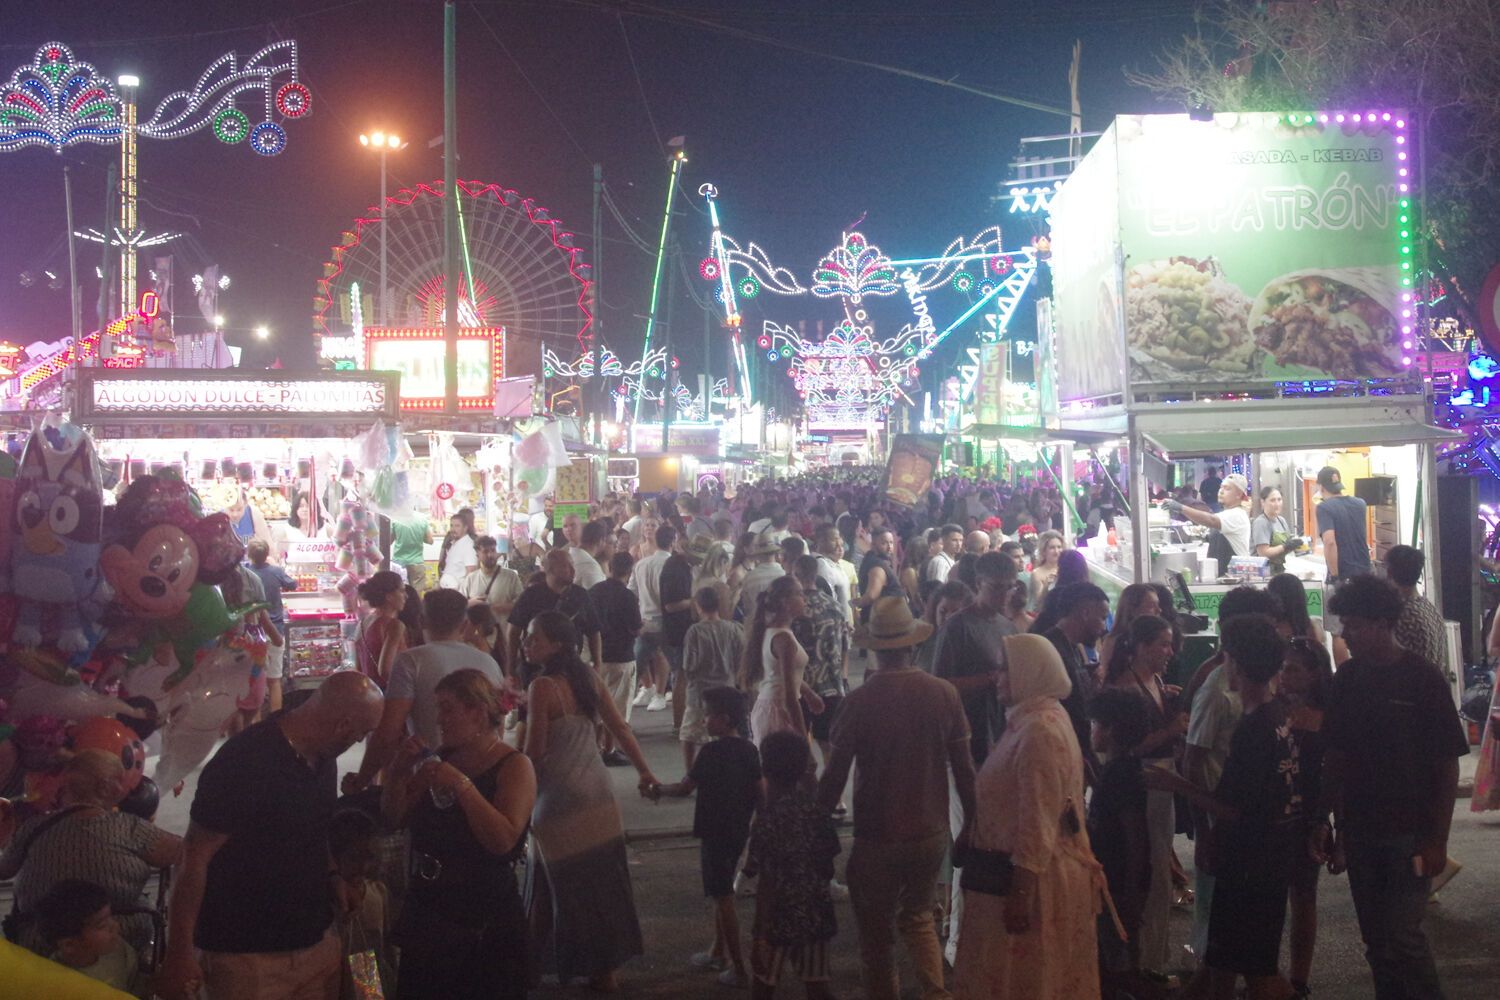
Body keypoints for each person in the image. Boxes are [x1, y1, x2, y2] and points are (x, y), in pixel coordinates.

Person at [157, 672, 384, 1000]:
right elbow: (193, 857)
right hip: (249, 958)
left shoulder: (324, 760)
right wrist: (179, 952)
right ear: (343, 725)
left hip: (317, 944)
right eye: (362, 732)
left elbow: (313, 829)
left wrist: (333, 876)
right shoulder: (244, 761)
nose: (360, 741)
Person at [1314, 575, 1468, 1000]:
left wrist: (1437, 839)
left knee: (1403, 937)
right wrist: (1326, 822)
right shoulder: (1347, 679)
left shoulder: (1422, 679)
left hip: (1410, 832)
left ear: (1383, 623)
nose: (1346, 634)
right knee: (1377, 941)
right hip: (1361, 829)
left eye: (1354, 625)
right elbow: (1336, 756)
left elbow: (1447, 765)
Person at [816, 596, 976, 1000]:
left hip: (877, 833)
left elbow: (834, 776)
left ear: (874, 648)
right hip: (931, 829)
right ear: (912, 644)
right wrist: (971, 823)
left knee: (877, 937)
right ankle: (936, 993)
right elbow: (964, 769)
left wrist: (814, 826)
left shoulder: (858, 702)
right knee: (919, 917)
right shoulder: (943, 694)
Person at [1150, 614, 1299, 1000]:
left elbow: (1234, 808)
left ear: (1238, 663)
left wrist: (1173, 783)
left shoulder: (1254, 728)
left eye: (1227, 656)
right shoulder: (1277, 715)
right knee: (1223, 962)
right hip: (1268, 855)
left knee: (1258, 973)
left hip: (1249, 861)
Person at [951, 633, 1104, 1000]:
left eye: (1005, 669)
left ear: (1030, 672)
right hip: (1021, 874)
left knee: (1024, 979)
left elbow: (1037, 818)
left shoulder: (1038, 730)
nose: (996, 676)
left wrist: (1021, 892)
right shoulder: (1034, 719)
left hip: (1029, 882)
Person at [522, 611, 657, 992]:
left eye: (533, 637)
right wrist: (645, 771)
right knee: (597, 888)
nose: (525, 643)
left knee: (558, 889)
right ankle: (599, 972)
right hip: (598, 794)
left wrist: (512, 788)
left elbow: (534, 754)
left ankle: (533, 971)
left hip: (558, 799)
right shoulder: (588, 678)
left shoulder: (542, 687)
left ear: (557, 644)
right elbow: (621, 727)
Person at [382, 669, 536, 1000]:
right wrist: (397, 772)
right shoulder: (442, 758)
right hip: (430, 907)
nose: (439, 719)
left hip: (482, 913)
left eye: (447, 709)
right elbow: (395, 818)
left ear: (478, 713)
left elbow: (503, 841)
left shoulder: (514, 766)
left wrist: (462, 787)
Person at [0, 750, 182, 958]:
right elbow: (183, 852)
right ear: (105, 787)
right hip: (117, 939)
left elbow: (4, 870)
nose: (125, 788)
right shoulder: (129, 828)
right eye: (120, 780)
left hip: (40, 942)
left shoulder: (32, 828)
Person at [649, 686, 761, 988]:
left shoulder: (710, 752)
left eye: (708, 716)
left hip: (714, 831)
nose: (704, 721)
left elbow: (685, 787)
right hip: (738, 829)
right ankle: (718, 951)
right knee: (720, 890)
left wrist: (658, 789)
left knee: (723, 897)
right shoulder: (749, 750)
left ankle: (739, 967)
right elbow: (760, 793)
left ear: (724, 719)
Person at [346, 588, 503, 794]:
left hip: (430, 779)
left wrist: (362, 780)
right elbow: (498, 728)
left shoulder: (411, 661)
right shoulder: (488, 662)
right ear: (465, 624)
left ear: (421, 621)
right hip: (485, 777)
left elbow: (389, 730)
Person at [1103, 614, 1187, 979]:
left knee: (1159, 868)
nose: (1170, 652)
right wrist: (1172, 729)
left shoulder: (1154, 681)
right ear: (1140, 647)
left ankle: (1153, 955)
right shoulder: (1126, 687)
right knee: (1148, 869)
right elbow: (1125, 749)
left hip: (1160, 783)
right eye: (1163, 644)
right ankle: (1143, 960)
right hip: (1143, 785)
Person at [746, 732, 840, 1000]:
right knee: (817, 986)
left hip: (778, 920)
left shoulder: (768, 820)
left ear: (766, 769)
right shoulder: (817, 813)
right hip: (816, 914)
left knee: (764, 984)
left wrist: (759, 935)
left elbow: (766, 882)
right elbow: (828, 866)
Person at [1087, 690, 1154, 993]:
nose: (1091, 730)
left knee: (1118, 962)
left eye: (1095, 724)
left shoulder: (1121, 774)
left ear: (1110, 729)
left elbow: (1135, 833)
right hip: (1115, 879)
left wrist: (1131, 889)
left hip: (1118, 881)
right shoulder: (1118, 768)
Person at [1281, 635, 1334, 999]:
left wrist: (1327, 821)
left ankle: (1298, 978)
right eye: (1283, 669)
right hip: (1275, 813)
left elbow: (1335, 776)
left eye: (1293, 670)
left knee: (1303, 895)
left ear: (1314, 674)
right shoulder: (1274, 709)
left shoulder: (1327, 716)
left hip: (1309, 814)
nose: (1285, 676)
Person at [931, 552, 1017, 769]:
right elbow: (940, 685)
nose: (1004, 595)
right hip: (969, 730)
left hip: (1002, 726)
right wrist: (988, 679)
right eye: (997, 587)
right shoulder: (956, 626)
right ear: (979, 583)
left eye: (1010, 587)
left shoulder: (1008, 626)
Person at [1041, 582, 1111, 782]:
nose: (1104, 627)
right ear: (1085, 613)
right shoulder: (1050, 649)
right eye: (1102, 618)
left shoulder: (1072, 648)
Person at [790, 555, 850, 785]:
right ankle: (835, 796)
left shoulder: (796, 609)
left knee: (800, 741)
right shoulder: (834, 605)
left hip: (802, 685)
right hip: (831, 684)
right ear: (816, 575)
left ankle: (808, 790)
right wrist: (842, 676)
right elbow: (845, 645)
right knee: (828, 744)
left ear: (796, 574)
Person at [741, 575, 823, 746]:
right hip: (779, 709)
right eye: (799, 594)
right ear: (785, 602)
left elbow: (784, 675)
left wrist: (809, 693)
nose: (805, 599)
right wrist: (803, 741)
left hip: (770, 706)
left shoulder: (774, 631)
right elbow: (789, 696)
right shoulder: (783, 639)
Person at [506, 548, 603, 691]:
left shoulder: (580, 595)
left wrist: (597, 663)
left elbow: (594, 631)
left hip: (570, 669)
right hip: (533, 669)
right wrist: (510, 669)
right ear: (550, 569)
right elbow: (513, 632)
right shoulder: (531, 595)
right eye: (566, 566)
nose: (573, 570)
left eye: (572, 565)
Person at [34, 879, 143, 995]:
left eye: (111, 917)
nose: (114, 925)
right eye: (102, 925)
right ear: (69, 945)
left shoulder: (120, 950)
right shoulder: (54, 980)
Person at [679, 585, 747, 770]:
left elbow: (689, 665)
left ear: (698, 606)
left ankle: (690, 771)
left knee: (689, 734)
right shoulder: (734, 629)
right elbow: (740, 660)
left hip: (699, 691)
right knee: (725, 732)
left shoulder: (695, 631)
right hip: (726, 689)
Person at [590, 551, 644, 762]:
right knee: (617, 708)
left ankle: (595, 746)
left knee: (596, 704)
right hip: (622, 656)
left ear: (609, 567)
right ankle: (609, 749)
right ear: (630, 571)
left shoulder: (594, 591)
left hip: (597, 656)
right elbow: (635, 628)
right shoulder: (627, 596)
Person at [245, 538, 297, 714]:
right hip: (275, 631)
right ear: (267, 554)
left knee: (253, 682)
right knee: (274, 681)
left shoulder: (246, 573)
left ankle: (255, 722)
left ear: (249, 554)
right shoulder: (276, 571)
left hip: (252, 633)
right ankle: (275, 721)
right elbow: (293, 584)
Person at [630, 524, 676, 712]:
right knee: (665, 657)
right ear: (673, 542)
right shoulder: (672, 565)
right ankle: (659, 694)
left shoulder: (641, 564)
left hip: (644, 619)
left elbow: (632, 591)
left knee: (638, 660)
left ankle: (647, 689)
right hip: (666, 620)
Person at [1388, 544, 1449, 675]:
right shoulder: (1429, 608)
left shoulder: (1403, 614)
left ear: (1389, 572)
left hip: (1414, 685)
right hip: (1433, 683)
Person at [1166, 473, 1252, 560]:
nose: (1221, 491)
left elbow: (1211, 520)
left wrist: (1181, 507)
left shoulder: (1237, 515)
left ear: (1239, 494)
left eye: (1227, 489)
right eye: (1221, 487)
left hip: (1234, 568)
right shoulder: (1225, 514)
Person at [1096, 582, 1162, 683]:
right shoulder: (1115, 641)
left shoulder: (1151, 638)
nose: (1159, 610)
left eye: (1158, 605)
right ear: (1133, 610)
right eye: (1152, 606)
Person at [355, 570, 408, 688]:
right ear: (389, 596)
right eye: (401, 591)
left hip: (368, 691)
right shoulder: (394, 626)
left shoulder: (362, 624)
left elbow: (358, 667)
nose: (406, 596)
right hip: (389, 692)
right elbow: (385, 671)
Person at [463, 535, 525, 629]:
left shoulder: (511, 576)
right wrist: (471, 603)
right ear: (477, 555)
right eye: (485, 551)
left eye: (493, 550)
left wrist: (501, 607)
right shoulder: (470, 579)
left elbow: (522, 603)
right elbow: (460, 606)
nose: (490, 555)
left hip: (504, 633)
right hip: (480, 635)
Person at [854, 527, 904, 622]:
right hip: (884, 623)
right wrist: (853, 605)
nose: (889, 547)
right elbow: (871, 596)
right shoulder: (877, 566)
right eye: (884, 543)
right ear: (873, 544)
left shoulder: (872, 560)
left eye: (891, 543)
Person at [1251, 486, 1304, 575]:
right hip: (1263, 572)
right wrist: (1285, 547)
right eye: (1272, 500)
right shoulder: (1261, 522)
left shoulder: (1281, 520)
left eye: (1279, 500)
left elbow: (1287, 545)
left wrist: (1297, 544)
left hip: (1279, 569)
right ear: (1263, 502)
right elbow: (1263, 553)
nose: (1277, 504)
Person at [390, 508, 434, 590]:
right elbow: (430, 540)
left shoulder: (395, 518)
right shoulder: (422, 518)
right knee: (416, 592)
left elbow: (389, 541)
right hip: (417, 562)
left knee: (398, 590)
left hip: (399, 563)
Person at [438, 508, 479, 589]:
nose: (453, 529)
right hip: (447, 589)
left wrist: (462, 592)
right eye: (451, 525)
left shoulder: (468, 546)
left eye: (457, 526)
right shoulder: (454, 544)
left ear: (465, 528)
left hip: (458, 592)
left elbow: (471, 573)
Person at [1028, 529, 1066, 610]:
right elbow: (1038, 603)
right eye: (1052, 548)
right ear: (1044, 551)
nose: (1056, 551)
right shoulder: (1037, 573)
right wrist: (1046, 586)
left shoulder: (1067, 568)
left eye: (1059, 547)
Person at [570, 520, 609, 590]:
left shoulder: (570, 554)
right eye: (605, 540)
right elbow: (599, 593)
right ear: (600, 541)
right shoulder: (591, 567)